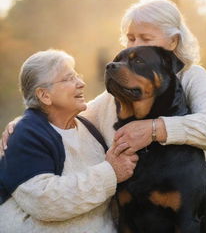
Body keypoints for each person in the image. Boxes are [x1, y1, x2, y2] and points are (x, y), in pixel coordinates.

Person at [1, 0, 206, 190]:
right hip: (140, 202)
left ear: (173, 41)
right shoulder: (124, 87)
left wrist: (154, 129)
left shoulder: (191, 76)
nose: (134, 45)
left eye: (146, 38)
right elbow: (76, 115)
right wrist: (29, 121)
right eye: (131, 38)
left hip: (193, 198)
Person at [0, 49, 138, 233]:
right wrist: (110, 173)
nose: (81, 83)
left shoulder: (88, 126)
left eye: (77, 76)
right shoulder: (27, 134)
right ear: (44, 95)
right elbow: (45, 202)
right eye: (68, 79)